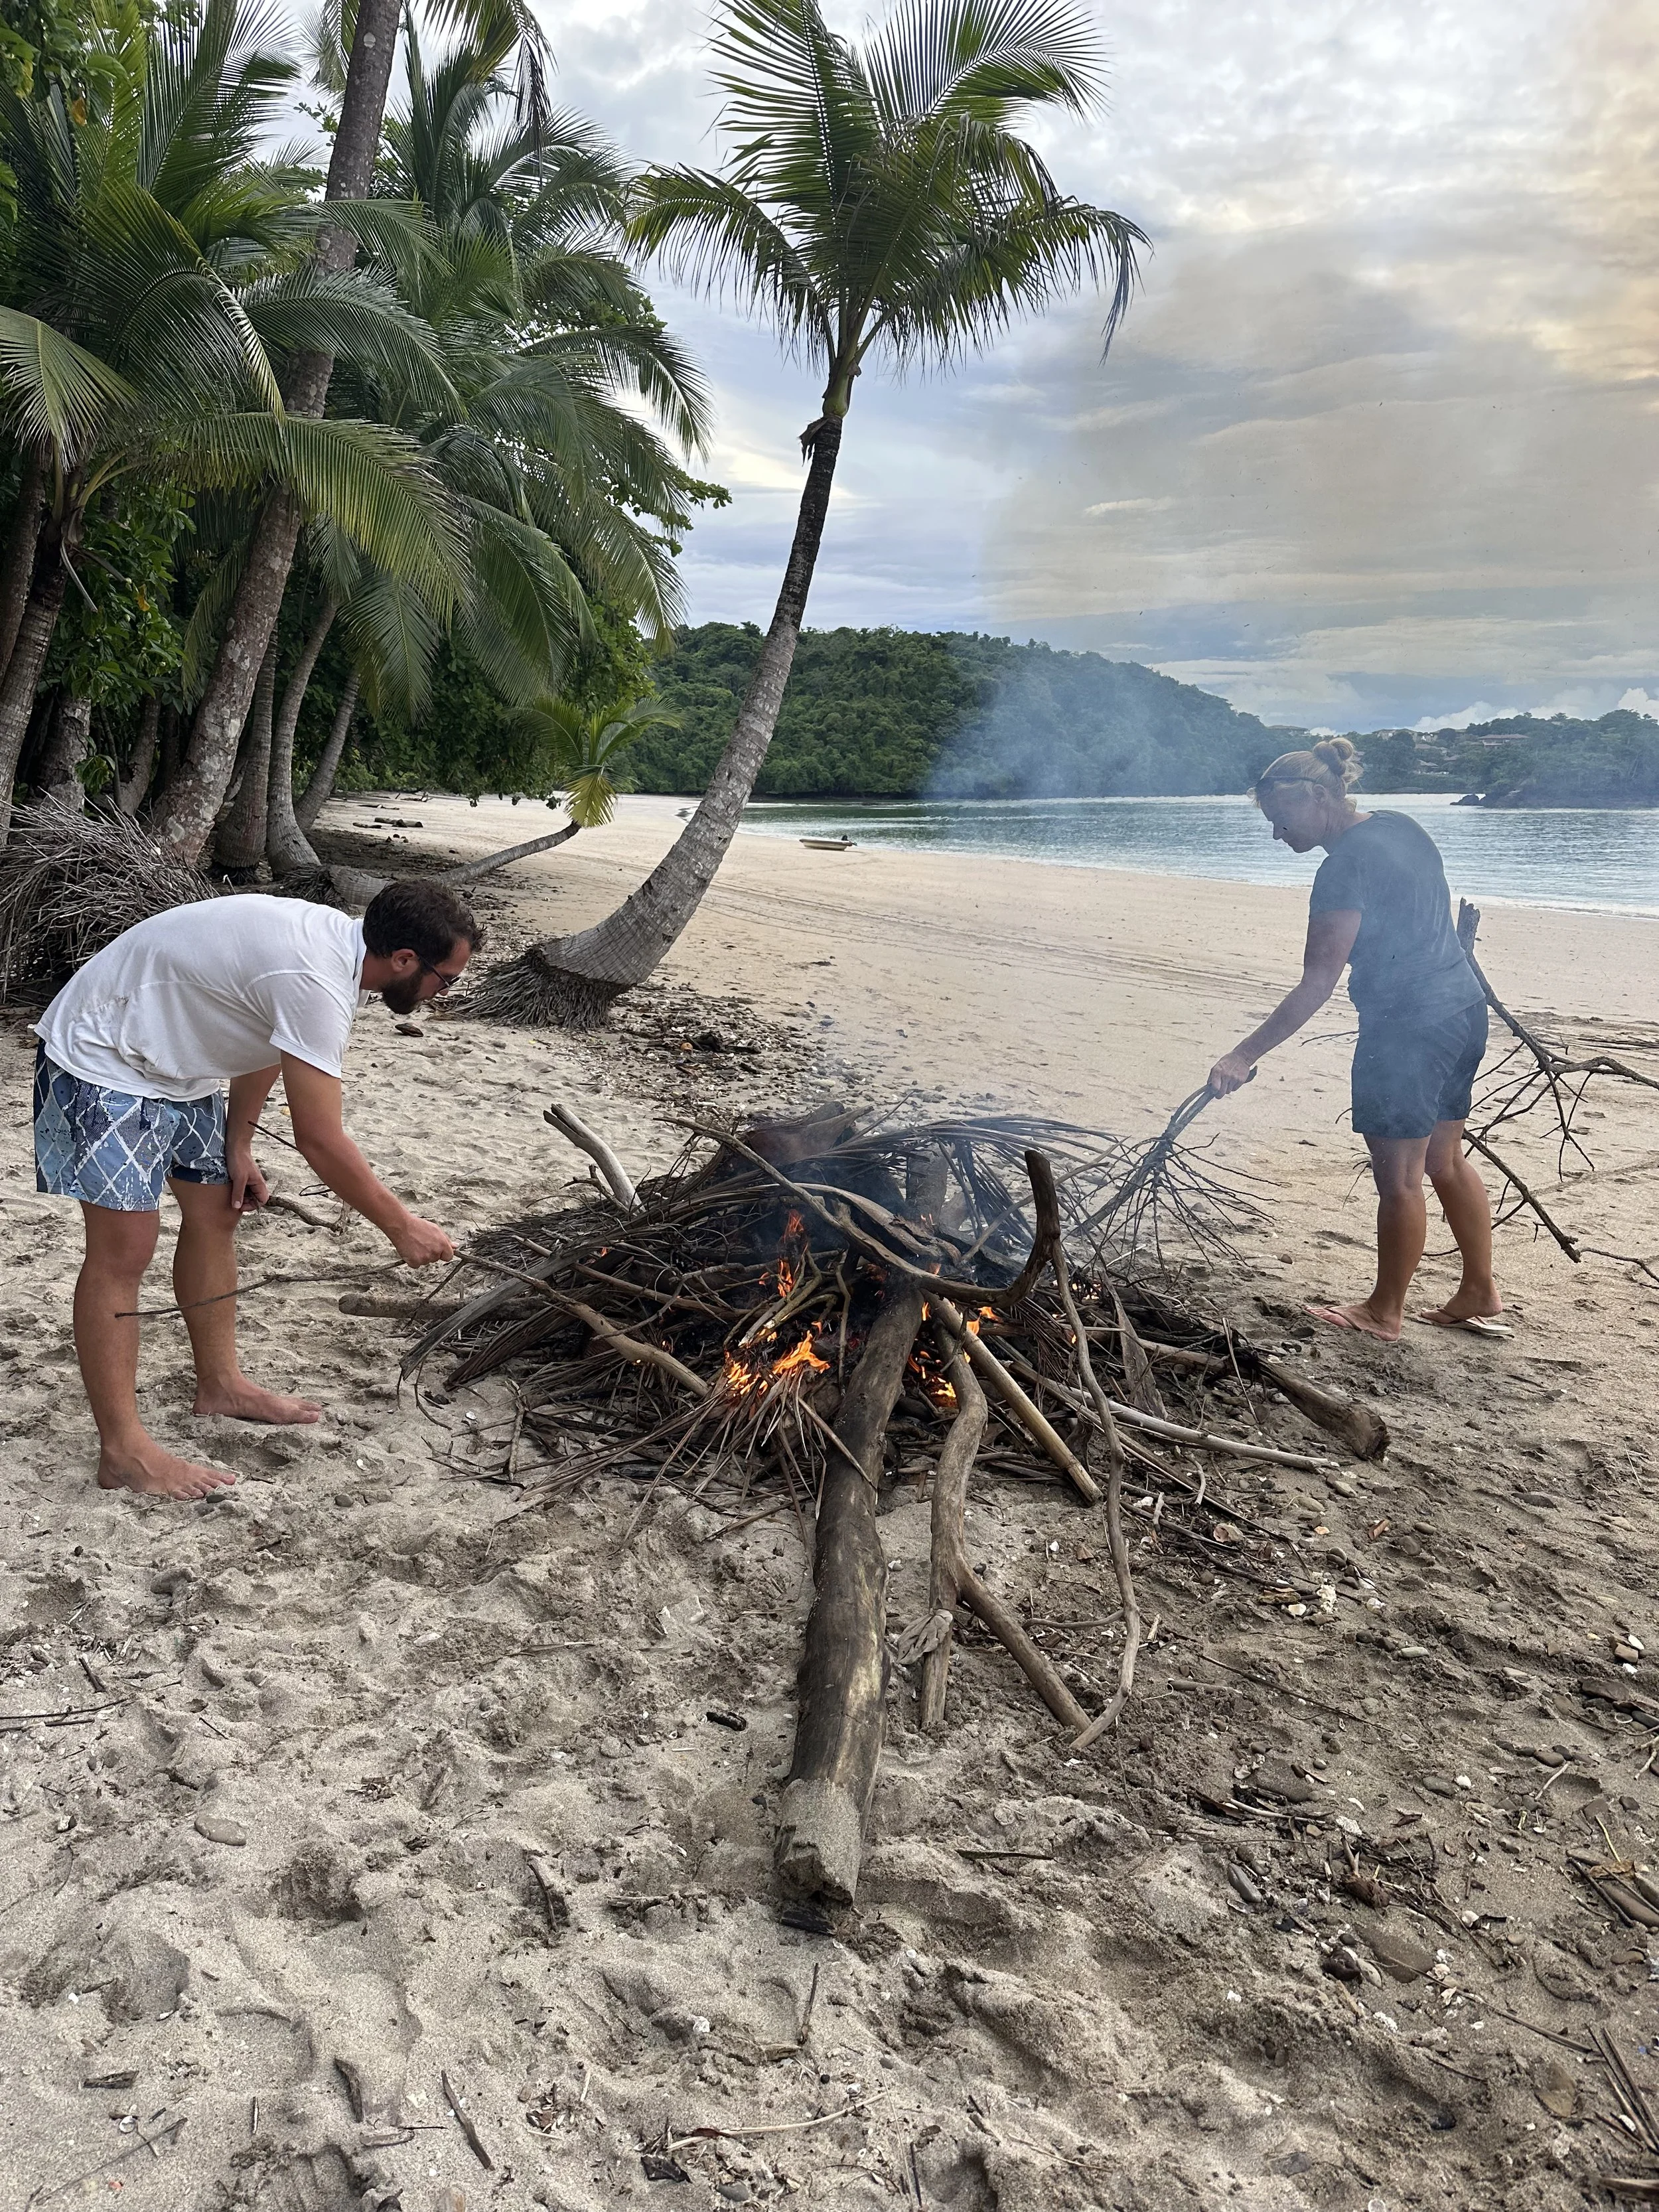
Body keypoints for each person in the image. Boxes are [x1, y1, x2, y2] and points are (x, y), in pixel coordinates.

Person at [32, 879, 478, 1501]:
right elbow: (320, 1139)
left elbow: (271, 1033)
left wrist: (238, 1143)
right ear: (404, 960)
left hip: (179, 1063)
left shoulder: (339, 957)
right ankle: (123, 1451)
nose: (441, 993)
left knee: (219, 1208)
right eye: (445, 979)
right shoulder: (319, 978)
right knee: (126, 1247)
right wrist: (400, 1226)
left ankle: (219, 1384)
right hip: (106, 1050)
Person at [1206, 738, 1504, 1343]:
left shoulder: (1342, 868)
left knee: (1399, 1179)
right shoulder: (1402, 826)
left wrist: (1244, 1053)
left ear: (1318, 797)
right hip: (1463, 1010)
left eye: (1280, 820)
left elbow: (1318, 982)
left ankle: (1383, 1311)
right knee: (1444, 1159)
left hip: (1407, 1030)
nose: (1276, 834)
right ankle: (1479, 1287)